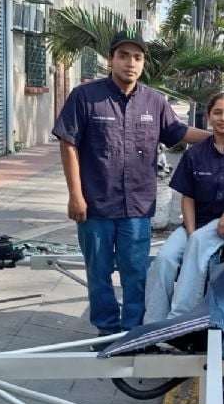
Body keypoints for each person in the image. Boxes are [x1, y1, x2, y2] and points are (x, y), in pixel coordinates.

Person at [52, 28, 211, 337]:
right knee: (98, 274)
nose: (131, 63)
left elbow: (177, 133)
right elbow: (68, 143)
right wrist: (75, 195)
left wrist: (218, 135)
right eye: (123, 56)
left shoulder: (154, 101)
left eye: (137, 57)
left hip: (137, 207)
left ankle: (132, 333)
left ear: (143, 63)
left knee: (135, 274)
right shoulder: (85, 97)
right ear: (111, 59)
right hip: (95, 204)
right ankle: (107, 332)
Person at [144, 93, 224, 322]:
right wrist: (191, 232)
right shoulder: (195, 153)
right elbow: (188, 197)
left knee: (200, 243)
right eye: (218, 112)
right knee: (164, 259)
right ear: (208, 118)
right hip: (196, 223)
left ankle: (180, 320)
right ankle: (153, 324)